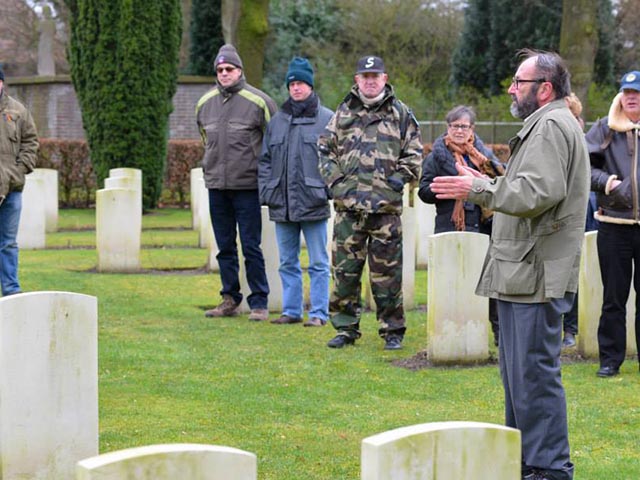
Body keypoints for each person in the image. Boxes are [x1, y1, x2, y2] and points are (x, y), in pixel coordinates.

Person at [430, 50, 589, 480]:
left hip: (536, 271)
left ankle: (548, 468)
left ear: (545, 89)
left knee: (534, 376)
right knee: (519, 377)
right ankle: (525, 461)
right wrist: (481, 184)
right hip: (522, 270)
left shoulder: (552, 126)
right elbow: (524, 186)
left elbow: (536, 193)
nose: (511, 89)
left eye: (519, 82)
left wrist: (478, 187)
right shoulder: (543, 125)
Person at [318, 55, 423, 350]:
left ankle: (392, 330)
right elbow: (324, 150)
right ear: (357, 80)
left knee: (387, 276)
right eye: (365, 77)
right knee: (344, 274)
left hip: (384, 211)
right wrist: (337, 182)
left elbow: (414, 152)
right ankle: (345, 328)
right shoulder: (342, 114)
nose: (370, 81)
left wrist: (399, 178)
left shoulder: (401, 113)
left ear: (385, 78)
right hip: (348, 210)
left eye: (375, 76)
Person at [195, 44, 277, 321]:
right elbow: (207, 141)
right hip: (217, 186)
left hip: (248, 187)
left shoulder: (259, 102)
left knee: (251, 246)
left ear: (239, 70)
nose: (224, 74)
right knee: (225, 246)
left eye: (229, 69)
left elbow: (273, 142)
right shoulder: (204, 104)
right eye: (219, 70)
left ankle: (259, 302)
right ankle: (229, 298)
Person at [418, 105, 504, 346]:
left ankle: (498, 333)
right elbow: (424, 190)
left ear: (472, 129)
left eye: (463, 126)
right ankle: (449, 333)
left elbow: (500, 180)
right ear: (448, 128)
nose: (458, 130)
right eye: (454, 126)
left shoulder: (484, 155)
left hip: (483, 227)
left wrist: (477, 187)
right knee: (450, 282)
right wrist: (450, 189)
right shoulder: (436, 157)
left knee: (489, 282)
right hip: (449, 224)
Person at [258, 57, 333, 327]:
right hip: (283, 202)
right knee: (287, 262)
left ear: (310, 86)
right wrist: (267, 190)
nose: (296, 88)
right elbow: (265, 160)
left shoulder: (327, 119)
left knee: (318, 263)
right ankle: (291, 310)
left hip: (313, 201)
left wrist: (327, 190)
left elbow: (337, 160)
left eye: (301, 83)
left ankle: (319, 313)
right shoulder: (277, 121)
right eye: (292, 83)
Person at [586, 70, 640, 377]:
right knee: (613, 298)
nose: (631, 97)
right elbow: (584, 166)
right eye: (627, 92)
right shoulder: (604, 129)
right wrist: (608, 183)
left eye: (637, 92)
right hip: (613, 225)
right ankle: (610, 359)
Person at [0, 66, 39, 297]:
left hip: (12, 189)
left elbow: (31, 143)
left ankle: (11, 291)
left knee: (8, 243)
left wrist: (19, 170)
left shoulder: (18, 111)